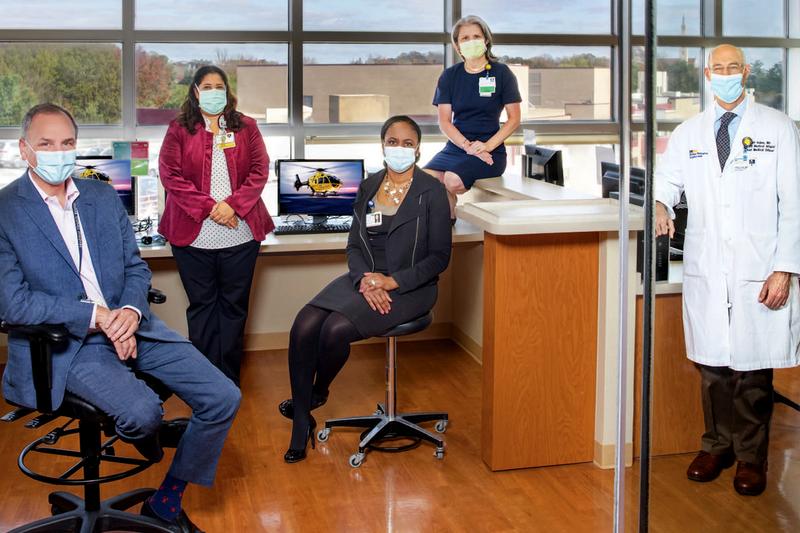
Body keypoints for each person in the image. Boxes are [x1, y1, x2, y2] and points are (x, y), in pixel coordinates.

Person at [0, 103, 241, 531]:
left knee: (223, 396)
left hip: (133, 325)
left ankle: (165, 502)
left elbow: (135, 267)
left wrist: (129, 311)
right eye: (46, 143)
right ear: (25, 149)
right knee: (144, 414)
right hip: (66, 344)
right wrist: (98, 317)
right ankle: (151, 428)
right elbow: (13, 303)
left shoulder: (101, 195)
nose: (59, 152)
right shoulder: (6, 210)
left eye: (67, 143)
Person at [655, 44, 800, 496]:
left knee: (753, 372)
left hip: (761, 266)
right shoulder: (689, 132)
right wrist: (661, 203)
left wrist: (785, 269)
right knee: (713, 366)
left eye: (732, 67)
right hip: (709, 266)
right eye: (717, 68)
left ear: (746, 71)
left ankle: (751, 458)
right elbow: (667, 179)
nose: (725, 74)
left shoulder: (777, 128)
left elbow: (794, 206)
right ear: (706, 74)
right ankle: (715, 446)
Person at [278, 115, 452, 463]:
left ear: (418, 149)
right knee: (304, 324)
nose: (399, 148)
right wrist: (363, 279)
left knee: (335, 330)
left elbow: (439, 257)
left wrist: (392, 281)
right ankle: (302, 420)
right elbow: (354, 245)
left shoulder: (432, 190)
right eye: (392, 141)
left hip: (411, 285)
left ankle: (316, 393)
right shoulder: (369, 185)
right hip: (365, 276)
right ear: (382, 145)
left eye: (407, 143)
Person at [159, 65, 272, 387]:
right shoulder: (179, 129)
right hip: (192, 236)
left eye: (218, 86)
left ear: (227, 90)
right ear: (195, 91)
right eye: (206, 86)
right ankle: (206, 383)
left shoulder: (246, 127)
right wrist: (212, 208)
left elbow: (259, 171)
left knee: (233, 309)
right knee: (202, 309)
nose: (213, 91)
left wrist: (232, 206)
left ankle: (228, 382)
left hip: (240, 233)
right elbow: (171, 176)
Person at [425, 14, 522, 220]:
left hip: (491, 150)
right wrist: (467, 146)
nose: (471, 42)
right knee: (424, 181)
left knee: (451, 181)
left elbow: (514, 119)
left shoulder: (502, 73)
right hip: (458, 146)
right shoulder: (450, 76)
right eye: (464, 38)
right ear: (457, 46)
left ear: (486, 40)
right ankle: (447, 225)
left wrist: (486, 146)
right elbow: (444, 121)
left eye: (476, 36)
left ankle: (449, 217)